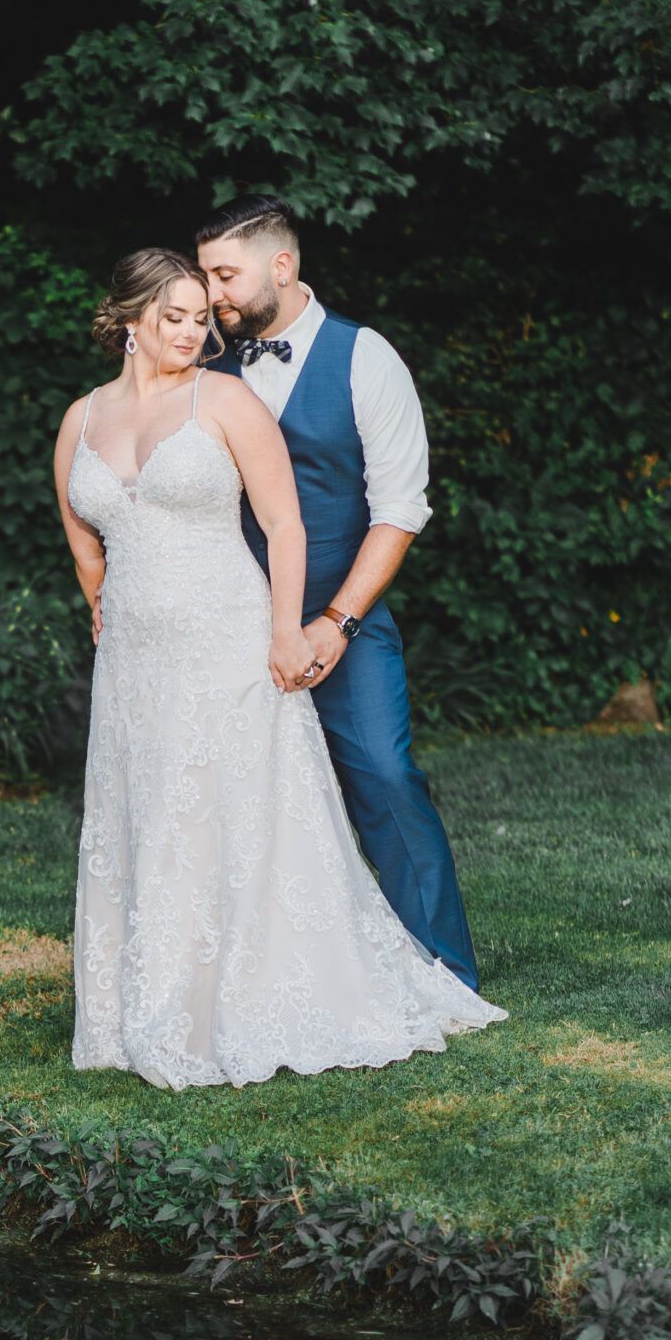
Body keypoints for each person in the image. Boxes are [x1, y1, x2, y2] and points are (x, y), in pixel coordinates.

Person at [53, 247, 504, 1090]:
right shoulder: (80, 419)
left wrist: (285, 632)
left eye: (199, 315)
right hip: (136, 659)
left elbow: (284, 526)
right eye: (173, 317)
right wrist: (101, 606)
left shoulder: (222, 399)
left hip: (227, 633)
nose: (193, 331)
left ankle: (268, 988)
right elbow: (84, 536)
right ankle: (156, 999)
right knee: (151, 811)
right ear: (124, 322)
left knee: (249, 808)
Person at [197, 195, 482, 991]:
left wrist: (336, 621)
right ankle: (260, 981)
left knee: (385, 780)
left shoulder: (365, 357)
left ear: (280, 267)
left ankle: (441, 970)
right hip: (222, 625)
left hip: (339, 620)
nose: (212, 293)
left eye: (226, 274)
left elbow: (399, 509)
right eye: (206, 275)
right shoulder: (203, 366)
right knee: (235, 803)